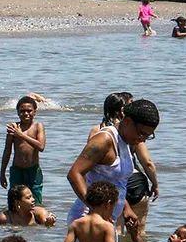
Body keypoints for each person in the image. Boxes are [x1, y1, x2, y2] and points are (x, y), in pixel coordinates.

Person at [67, 97, 159, 232]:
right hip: (88, 217)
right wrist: (96, 210)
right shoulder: (104, 140)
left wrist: (126, 208)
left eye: (148, 136)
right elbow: (74, 174)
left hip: (107, 219)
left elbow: (116, 183)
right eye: (141, 133)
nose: (142, 139)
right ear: (127, 121)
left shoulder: (126, 142)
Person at [0, 95, 47, 203]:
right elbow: (7, 151)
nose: (26, 113)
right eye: (22, 111)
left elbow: (41, 146)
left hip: (33, 170)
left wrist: (21, 135)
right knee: (14, 202)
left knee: (35, 201)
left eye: (29, 111)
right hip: (17, 170)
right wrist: (2, 173)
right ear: (17, 112)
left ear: (35, 112)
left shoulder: (38, 126)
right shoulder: (14, 127)